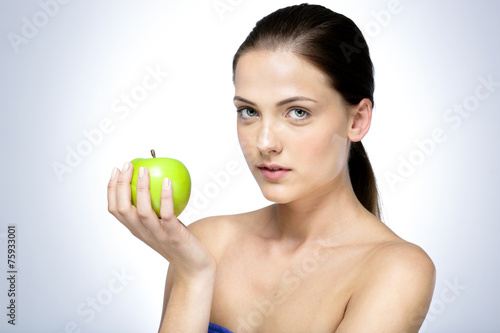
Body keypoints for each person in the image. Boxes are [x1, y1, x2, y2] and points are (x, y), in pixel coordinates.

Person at [107, 3, 436, 332]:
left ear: (358, 120)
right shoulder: (207, 243)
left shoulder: (396, 270)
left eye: (297, 112)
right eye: (249, 112)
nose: (264, 143)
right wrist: (194, 275)